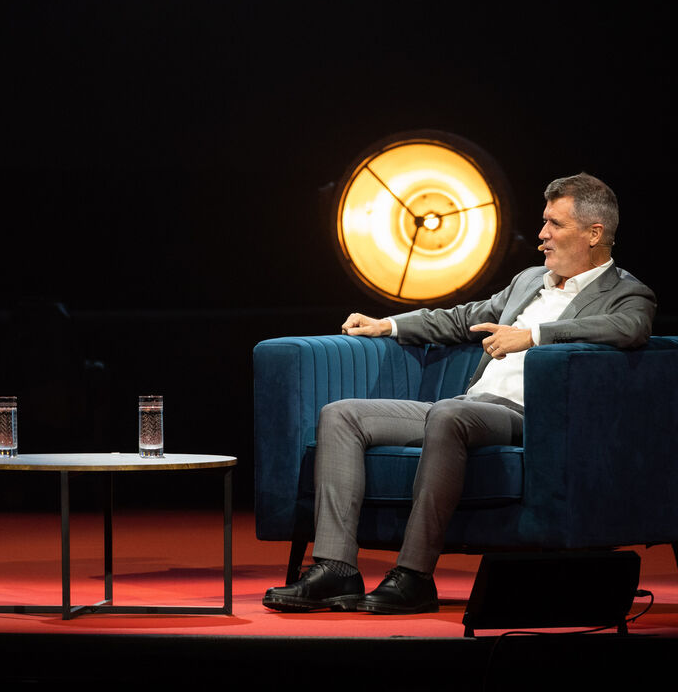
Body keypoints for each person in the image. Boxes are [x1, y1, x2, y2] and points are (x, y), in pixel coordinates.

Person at [263, 172, 655, 615]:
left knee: (448, 415)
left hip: (528, 418)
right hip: (469, 408)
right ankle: (336, 569)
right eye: (544, 223)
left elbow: (629, 329)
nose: (541, 235)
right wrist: (386, 325)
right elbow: (461, 318)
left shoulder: (626, 293)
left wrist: (533, 336)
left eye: (554, 225)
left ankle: (413, 576)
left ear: (594, 233)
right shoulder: (530, 280)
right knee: (342, 414)